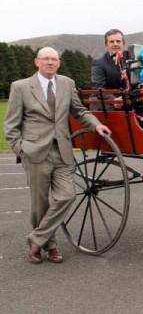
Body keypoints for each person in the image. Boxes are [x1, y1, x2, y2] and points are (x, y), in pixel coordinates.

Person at [4, 47, 112, 264]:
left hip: (62, 150)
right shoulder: (21, 87)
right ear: (37, 62)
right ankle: (50, 245)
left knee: (67, 196)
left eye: (54, 59)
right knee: (40, 203)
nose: (50, 63)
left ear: (59, 63)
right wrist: (21, 149)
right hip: (35, 152)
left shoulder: (67, 83)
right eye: (46, 59)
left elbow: (79, 111)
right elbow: (11, 124)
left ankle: (36, 238)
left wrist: (96, 125)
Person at [90, 29, 128, 110]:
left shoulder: (130, 58)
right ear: (106, 45)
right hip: (107, 103)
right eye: (111, 41)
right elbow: (98, 86)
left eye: (118, 41)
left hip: (128, 100)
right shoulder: (98, 62)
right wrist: (113, 100)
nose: (115, 44)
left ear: (123, 43)